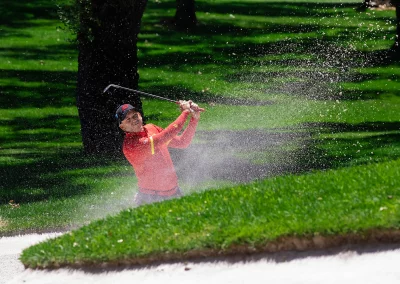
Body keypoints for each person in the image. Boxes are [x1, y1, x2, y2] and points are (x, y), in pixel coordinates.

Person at [115, 100, 203, 206]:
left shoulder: (151, 128)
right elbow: (165, 136)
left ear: (139, 115)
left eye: (134, 116)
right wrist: (185, 112)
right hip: (151, 198)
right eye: (128, 119)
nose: (134, 120)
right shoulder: (132, 145)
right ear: (122, 127)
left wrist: (194, 119)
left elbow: (182, 142)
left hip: (175, 192)